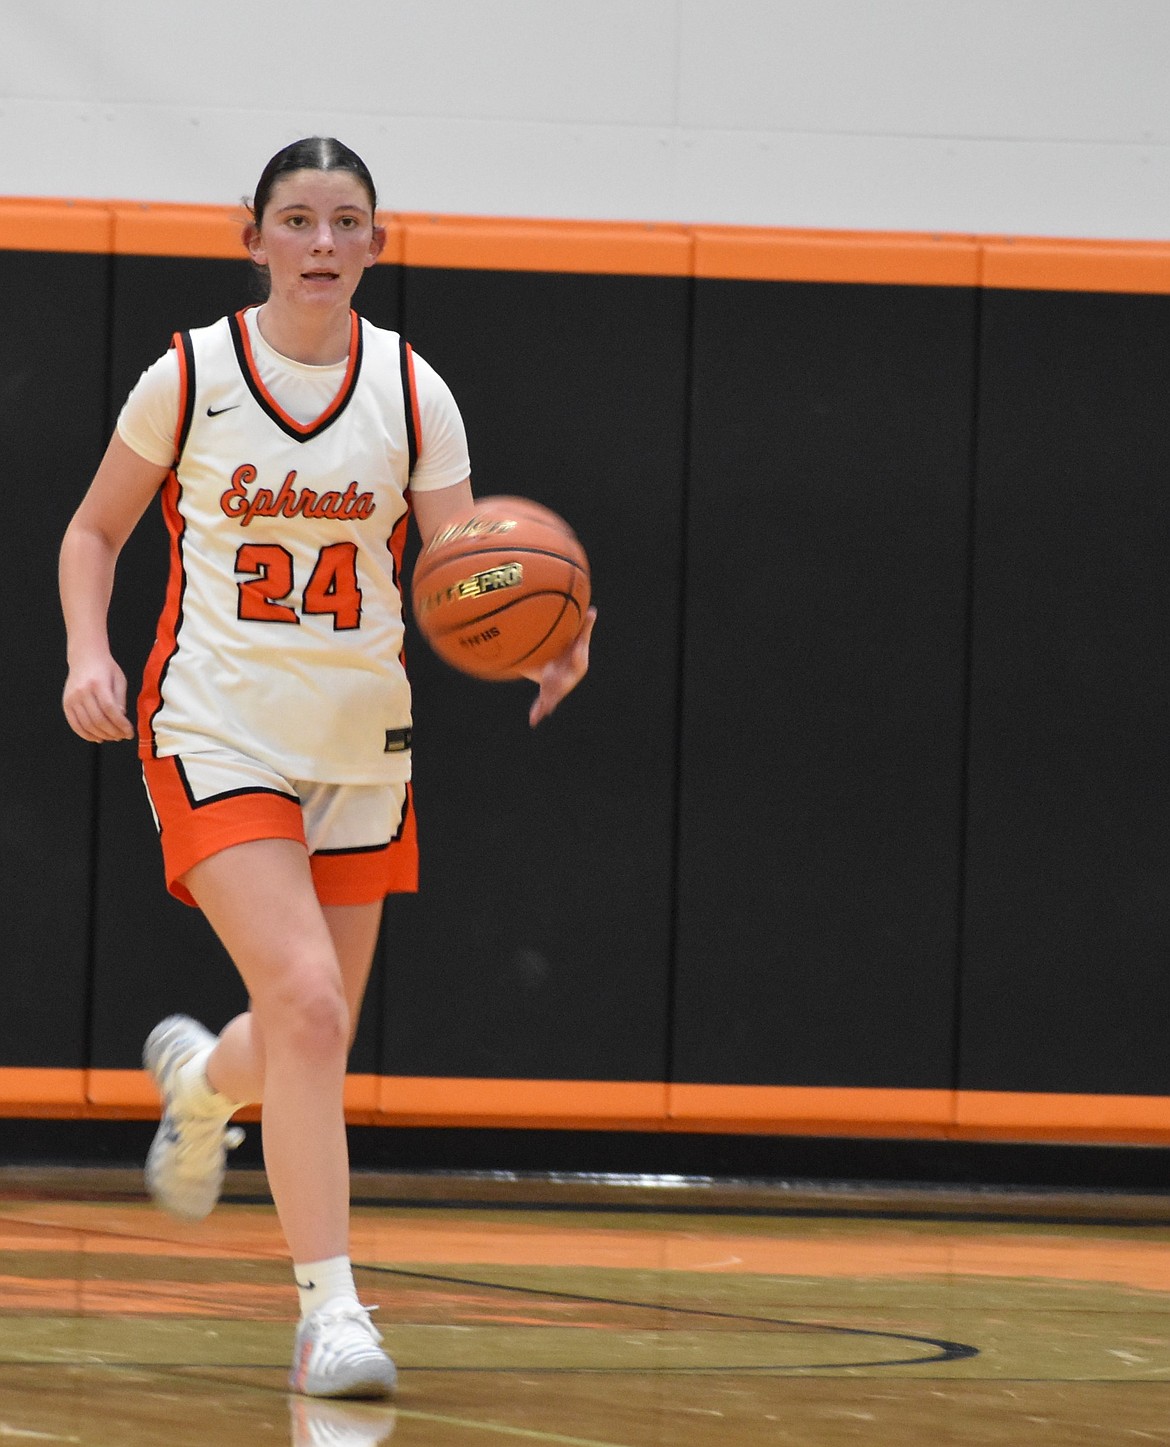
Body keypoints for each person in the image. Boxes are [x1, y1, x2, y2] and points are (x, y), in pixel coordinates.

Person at [58, 136, 596, 1401]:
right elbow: (94, 528)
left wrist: (546, 635)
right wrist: (87, 647)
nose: (317, 243)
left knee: (312, 1029)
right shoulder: (188, 375)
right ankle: (330, 1312)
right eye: (293, 220)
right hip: (213, 724)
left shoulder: (414, 390)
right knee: (305, 998)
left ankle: (199, 1083)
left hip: (362, 740)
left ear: (375, 242)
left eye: (342, 221)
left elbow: (473, 569)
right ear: (253, 238)